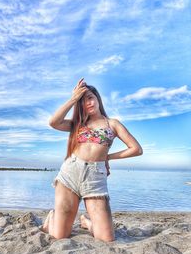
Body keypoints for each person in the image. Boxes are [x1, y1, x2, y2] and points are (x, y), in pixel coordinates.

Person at [41, 78, 143, 242]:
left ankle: (86, 223)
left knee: (107, 238)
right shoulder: (77, 124)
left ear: (97, 98)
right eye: (82, 101)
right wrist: (73, 98)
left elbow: (136, 149)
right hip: (70, 174)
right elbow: (53, 122)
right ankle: (52, 218)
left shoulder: (113, 124)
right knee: (59, 236)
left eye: (89, 97)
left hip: (95, 178)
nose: (87, 103)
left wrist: (107, 157)